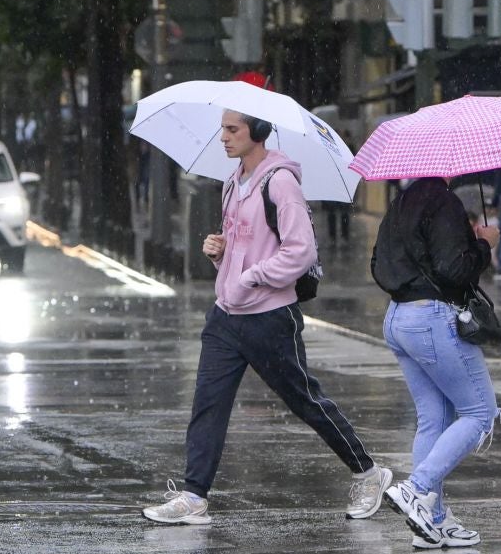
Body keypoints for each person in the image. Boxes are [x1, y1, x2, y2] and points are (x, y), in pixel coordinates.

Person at [144, 110, 390, 525]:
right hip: (226, 315)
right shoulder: (231, 183)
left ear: (257, 131)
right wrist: (221, 252)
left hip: (269, 317)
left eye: (232, 129)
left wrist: (252, 276)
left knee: (305, 400)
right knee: (208, 404)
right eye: (223, 129)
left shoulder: (280, 182)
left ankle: (368, 472)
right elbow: (247, 242)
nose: (224, 137)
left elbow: (300, 251)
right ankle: (194, 496)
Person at [370, 173, 501, 549]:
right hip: (430, 318)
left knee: (434, 417)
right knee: (480, 412)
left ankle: (434, 519)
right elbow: (453, 268)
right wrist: (484, 245)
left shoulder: (402, 201)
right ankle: (416, 489)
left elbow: (378, 263)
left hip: (398, 317)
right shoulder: (443, 201)